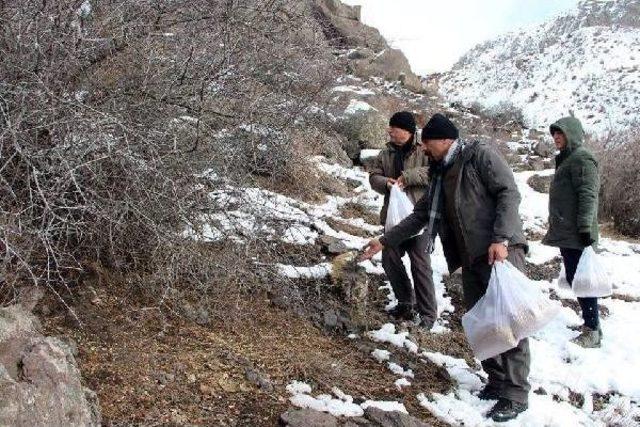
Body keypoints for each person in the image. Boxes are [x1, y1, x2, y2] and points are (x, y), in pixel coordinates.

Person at [362, 113, 530, 422]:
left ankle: (516, 393)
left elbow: (509, 192)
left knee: (508, 318)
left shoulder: (479, 155)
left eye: (427, 144)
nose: (424, 150)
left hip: (500, 249)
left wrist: (502, 238)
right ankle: (496, 381)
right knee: (482, 320)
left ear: (444, 140)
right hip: (472, 256)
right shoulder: (441, 172)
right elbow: (419, 215)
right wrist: (384, 242)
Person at [368, 111, 436, 328]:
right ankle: (406, 302)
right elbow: (373, 176)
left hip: (420, 218)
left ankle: (427, 314)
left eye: (393, 128)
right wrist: (384, 183)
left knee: (420, 263)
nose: (389, 131)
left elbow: (434, 172)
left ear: (407, 131)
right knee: (390, 258)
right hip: (393, 217)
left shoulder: (424, 148)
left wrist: (409, 177)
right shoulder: (386, 152)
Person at [543, 116, 601, 348]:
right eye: (554, 134)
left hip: (579, 233)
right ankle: (591, 324)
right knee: (577, 279)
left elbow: (589, 194)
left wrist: (586, 227)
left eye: (561, 133)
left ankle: (593, 330)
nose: (556, 137)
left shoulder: (582, 158)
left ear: (572, 134)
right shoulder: (568, 159)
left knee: (584, 281)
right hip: (569, 232)